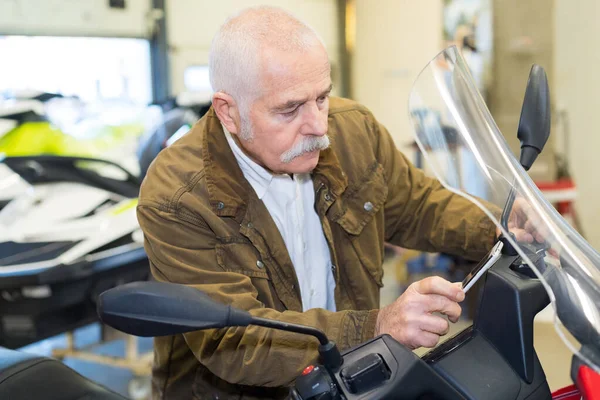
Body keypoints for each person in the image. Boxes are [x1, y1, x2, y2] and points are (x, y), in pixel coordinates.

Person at [136, 6, 526, 399]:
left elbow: (418, 205)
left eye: (321, 97)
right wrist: (376, 327)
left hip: (343, 382)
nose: (319, 126)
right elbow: (234, 340)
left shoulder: (353, 130)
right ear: (229, 112)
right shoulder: (177, 195)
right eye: (290, 109)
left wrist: (501, 225)